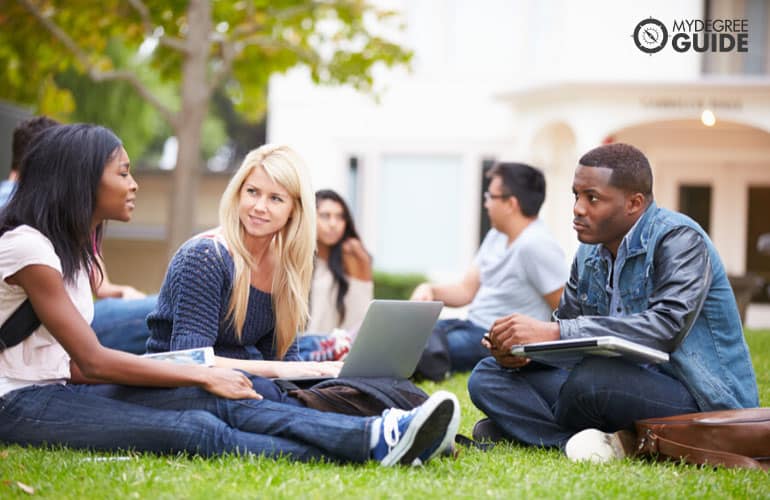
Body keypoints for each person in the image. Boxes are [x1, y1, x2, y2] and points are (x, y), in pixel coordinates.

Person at [0, 123, 460, 465]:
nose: (135, 183)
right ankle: (372, 441)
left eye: (276, 198)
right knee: (199, 428)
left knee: (239, 399)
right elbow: (95, 360)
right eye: (123, 173)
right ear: (82, 180)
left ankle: (387, 432)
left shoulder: (77, 253)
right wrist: (202, 375)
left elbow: (78, 368)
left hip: (63, 388)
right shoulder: (28, 248)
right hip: (16, 401)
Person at [467, 143, 759, 462]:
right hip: (612, 384)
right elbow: (566, 342)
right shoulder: (588, 254)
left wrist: (553, 333)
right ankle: (592, 442)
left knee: (592, 381)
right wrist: (521, 353)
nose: (578, 208)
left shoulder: (679, 239)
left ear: (634, 203)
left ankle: (531, 429)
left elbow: (665, 328)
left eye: (592, 198)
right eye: (576, 195)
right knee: (488, 375)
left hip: (696, 397)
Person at [145, 146, 342, 379]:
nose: (259, 207)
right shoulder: (207, 256)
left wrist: (322, 375)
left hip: (242, 384)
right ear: (238, 193)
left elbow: (283, 360)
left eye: (275, 198)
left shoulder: (285, 267)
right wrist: (277, 369)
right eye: (252, 192)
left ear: (294, 210)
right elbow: (191, 362)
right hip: (179, 389)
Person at [1, 115, 156, 354]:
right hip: (36, 354)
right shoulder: (26, 230)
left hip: (60, 339)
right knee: (166, 311)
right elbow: (90, 360)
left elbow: (100, 286)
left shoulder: (74, 226)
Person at [411, 162, 568, 379]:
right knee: (411, 333)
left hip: (494, 339)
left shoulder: (536, 245)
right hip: (468, 326)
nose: (486, 204)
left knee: (412, 346)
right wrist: (430, 290)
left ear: (510, 203)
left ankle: (429, 365)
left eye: (490, 197)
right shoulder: (497, 235)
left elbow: (564, 310)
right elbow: (466, 291)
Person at [297, 189, 374, 361]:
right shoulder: (296, 259)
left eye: (340, 217)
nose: (333, 223)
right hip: (302, 346)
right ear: (310, 218)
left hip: (337, 346)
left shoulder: (351, 255)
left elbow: (359, 317)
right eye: (325, 216)